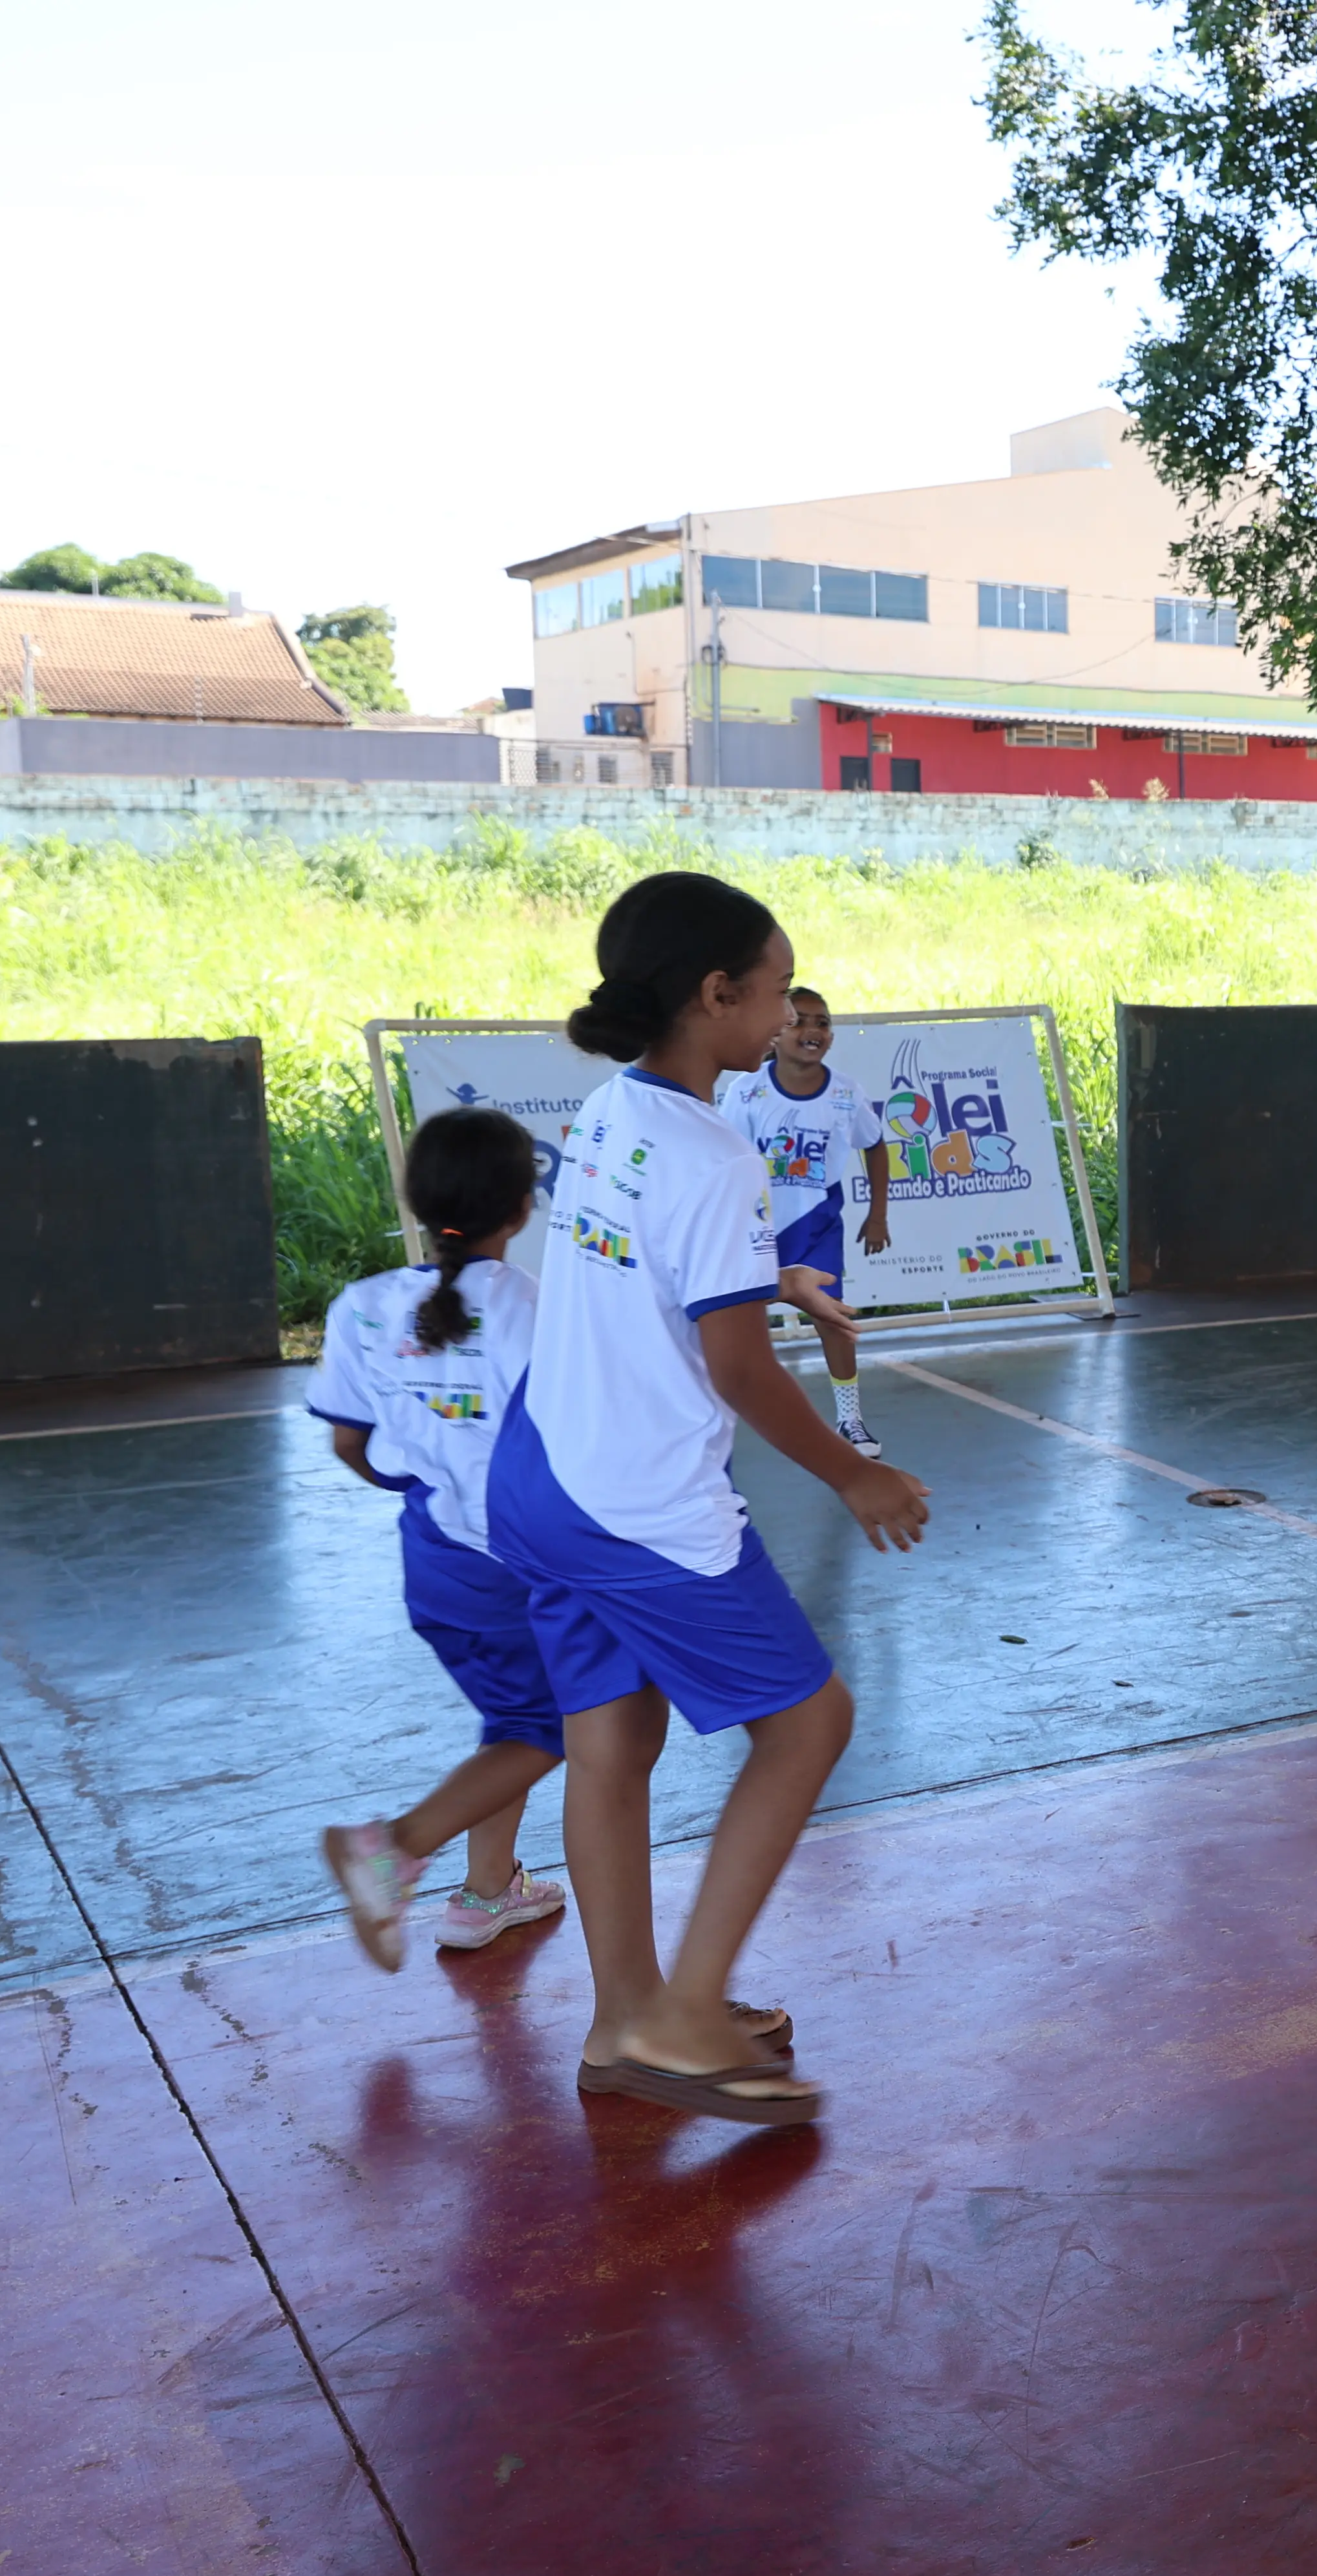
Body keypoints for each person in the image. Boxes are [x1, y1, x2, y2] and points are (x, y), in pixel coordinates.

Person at [490, 871, 932, 2126]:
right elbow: (738, 1370)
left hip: (541, 1471)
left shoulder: (613, 1108)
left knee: (613, 1742)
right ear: (717, 993)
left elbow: (658, 1270)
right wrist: (854, 1471)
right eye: (780, 986)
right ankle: (686, 2015)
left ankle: (625, 2019)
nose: (793, 1008)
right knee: (810, 1723)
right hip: (637, 1501)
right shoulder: (717, 1150)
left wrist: (771, 1276)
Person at [312, 1107, 574, 1970]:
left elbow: (349, 1443)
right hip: (517, 1564)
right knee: (549, 1728)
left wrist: (423, 1484)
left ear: (416, 1203)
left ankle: (489, 1891)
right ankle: (392, 1847)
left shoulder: (362, 1306)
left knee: (512, 1718)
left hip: (432, 1557)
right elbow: (572, 1450)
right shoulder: (536, 1310)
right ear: (525, 1208)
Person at [716, 983, 896, 1458]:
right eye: (799, 1021)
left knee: (831, 1318)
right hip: (756, 1224)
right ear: (776, 1031)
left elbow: (875, 1145)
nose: (812, 1030)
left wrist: (878, 1215)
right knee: (735, 1322)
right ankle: (717, 1416)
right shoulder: (747, 1091)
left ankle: (850, 1420)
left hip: (818, 1225)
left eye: (823, 1022)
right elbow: (725, 1158)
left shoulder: (845, 1093)